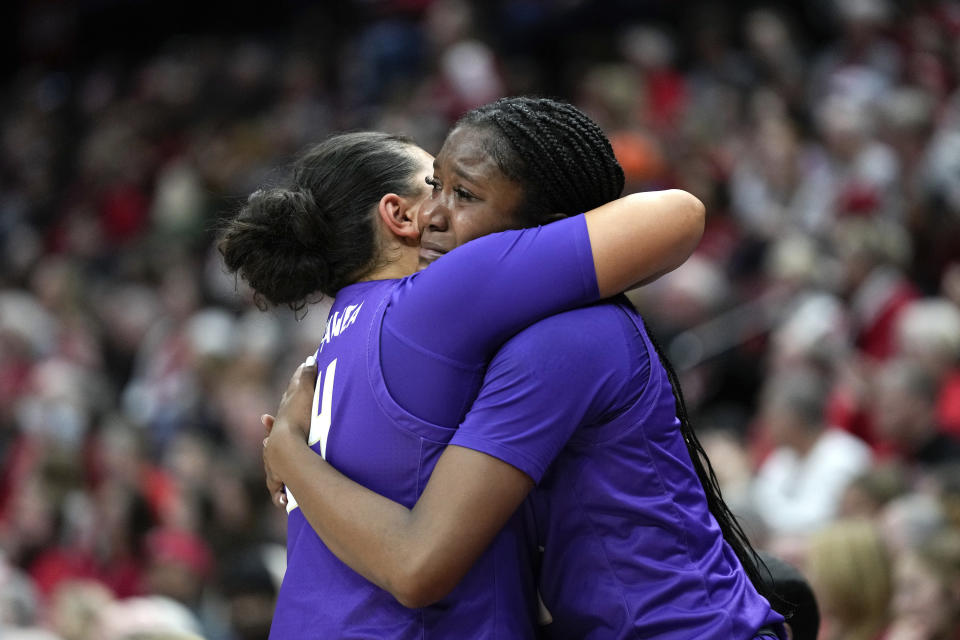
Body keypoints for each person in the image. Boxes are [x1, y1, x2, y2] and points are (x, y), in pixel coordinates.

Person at [253, 98, 785, 638]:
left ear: (536, 232)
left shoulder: (347, 343)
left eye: (461, 193)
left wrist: (289, 451)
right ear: (395, 215)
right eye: (434, 185)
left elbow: (419, 561)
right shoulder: (443, 313)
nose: (434, 214)